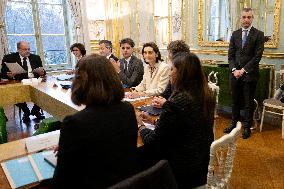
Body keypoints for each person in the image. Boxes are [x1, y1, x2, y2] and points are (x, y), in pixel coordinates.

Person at [53, 54, 140, 188]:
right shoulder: (128, 109)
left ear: (80, 82)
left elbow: (62, 179)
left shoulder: (74, 123)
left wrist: (68, 148)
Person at [137, 52, 215, 189]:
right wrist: (152, 120)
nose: (169, 73)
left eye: (172, 69)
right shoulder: (204, 94)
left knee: (140, 153)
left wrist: (140, 126)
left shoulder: (177, 101)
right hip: (202, 160)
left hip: (183, 168)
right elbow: (184, 125)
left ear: (182, 74)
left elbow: (153, 141)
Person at [223, 8, 264, 139]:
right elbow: (230, 55)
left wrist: (243, 70)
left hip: (250, 75)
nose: (246, 19)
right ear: (240, 18)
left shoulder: (259, 34)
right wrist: (234, 70)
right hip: (234, 75)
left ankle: (247, 126)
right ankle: (233, 123)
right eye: (244, 17)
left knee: (248, 103)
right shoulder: (234, 34)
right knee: (235, 101)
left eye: (249, 17)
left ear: (253, 18)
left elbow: (257, 57)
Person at [1, 41, 45, 122]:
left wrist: (42, 72)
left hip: (34, 81)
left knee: (45, 94)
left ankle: (35, 110)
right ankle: (26, 111)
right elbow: (3, 73)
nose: (28, 51)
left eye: (29, 49)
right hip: (19, 82)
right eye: (25, 49)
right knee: (14, 95)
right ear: (18, 50)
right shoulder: (9, 58)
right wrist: (8, 75)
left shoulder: (36, 57)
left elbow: (43, 71)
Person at [152, 40, 190, 108]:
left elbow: (182, 102)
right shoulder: (174, 70)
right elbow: (166, 92)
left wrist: (165, 104)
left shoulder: (188, 73)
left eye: (169, 53)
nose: (168, 56)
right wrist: (158, 99)